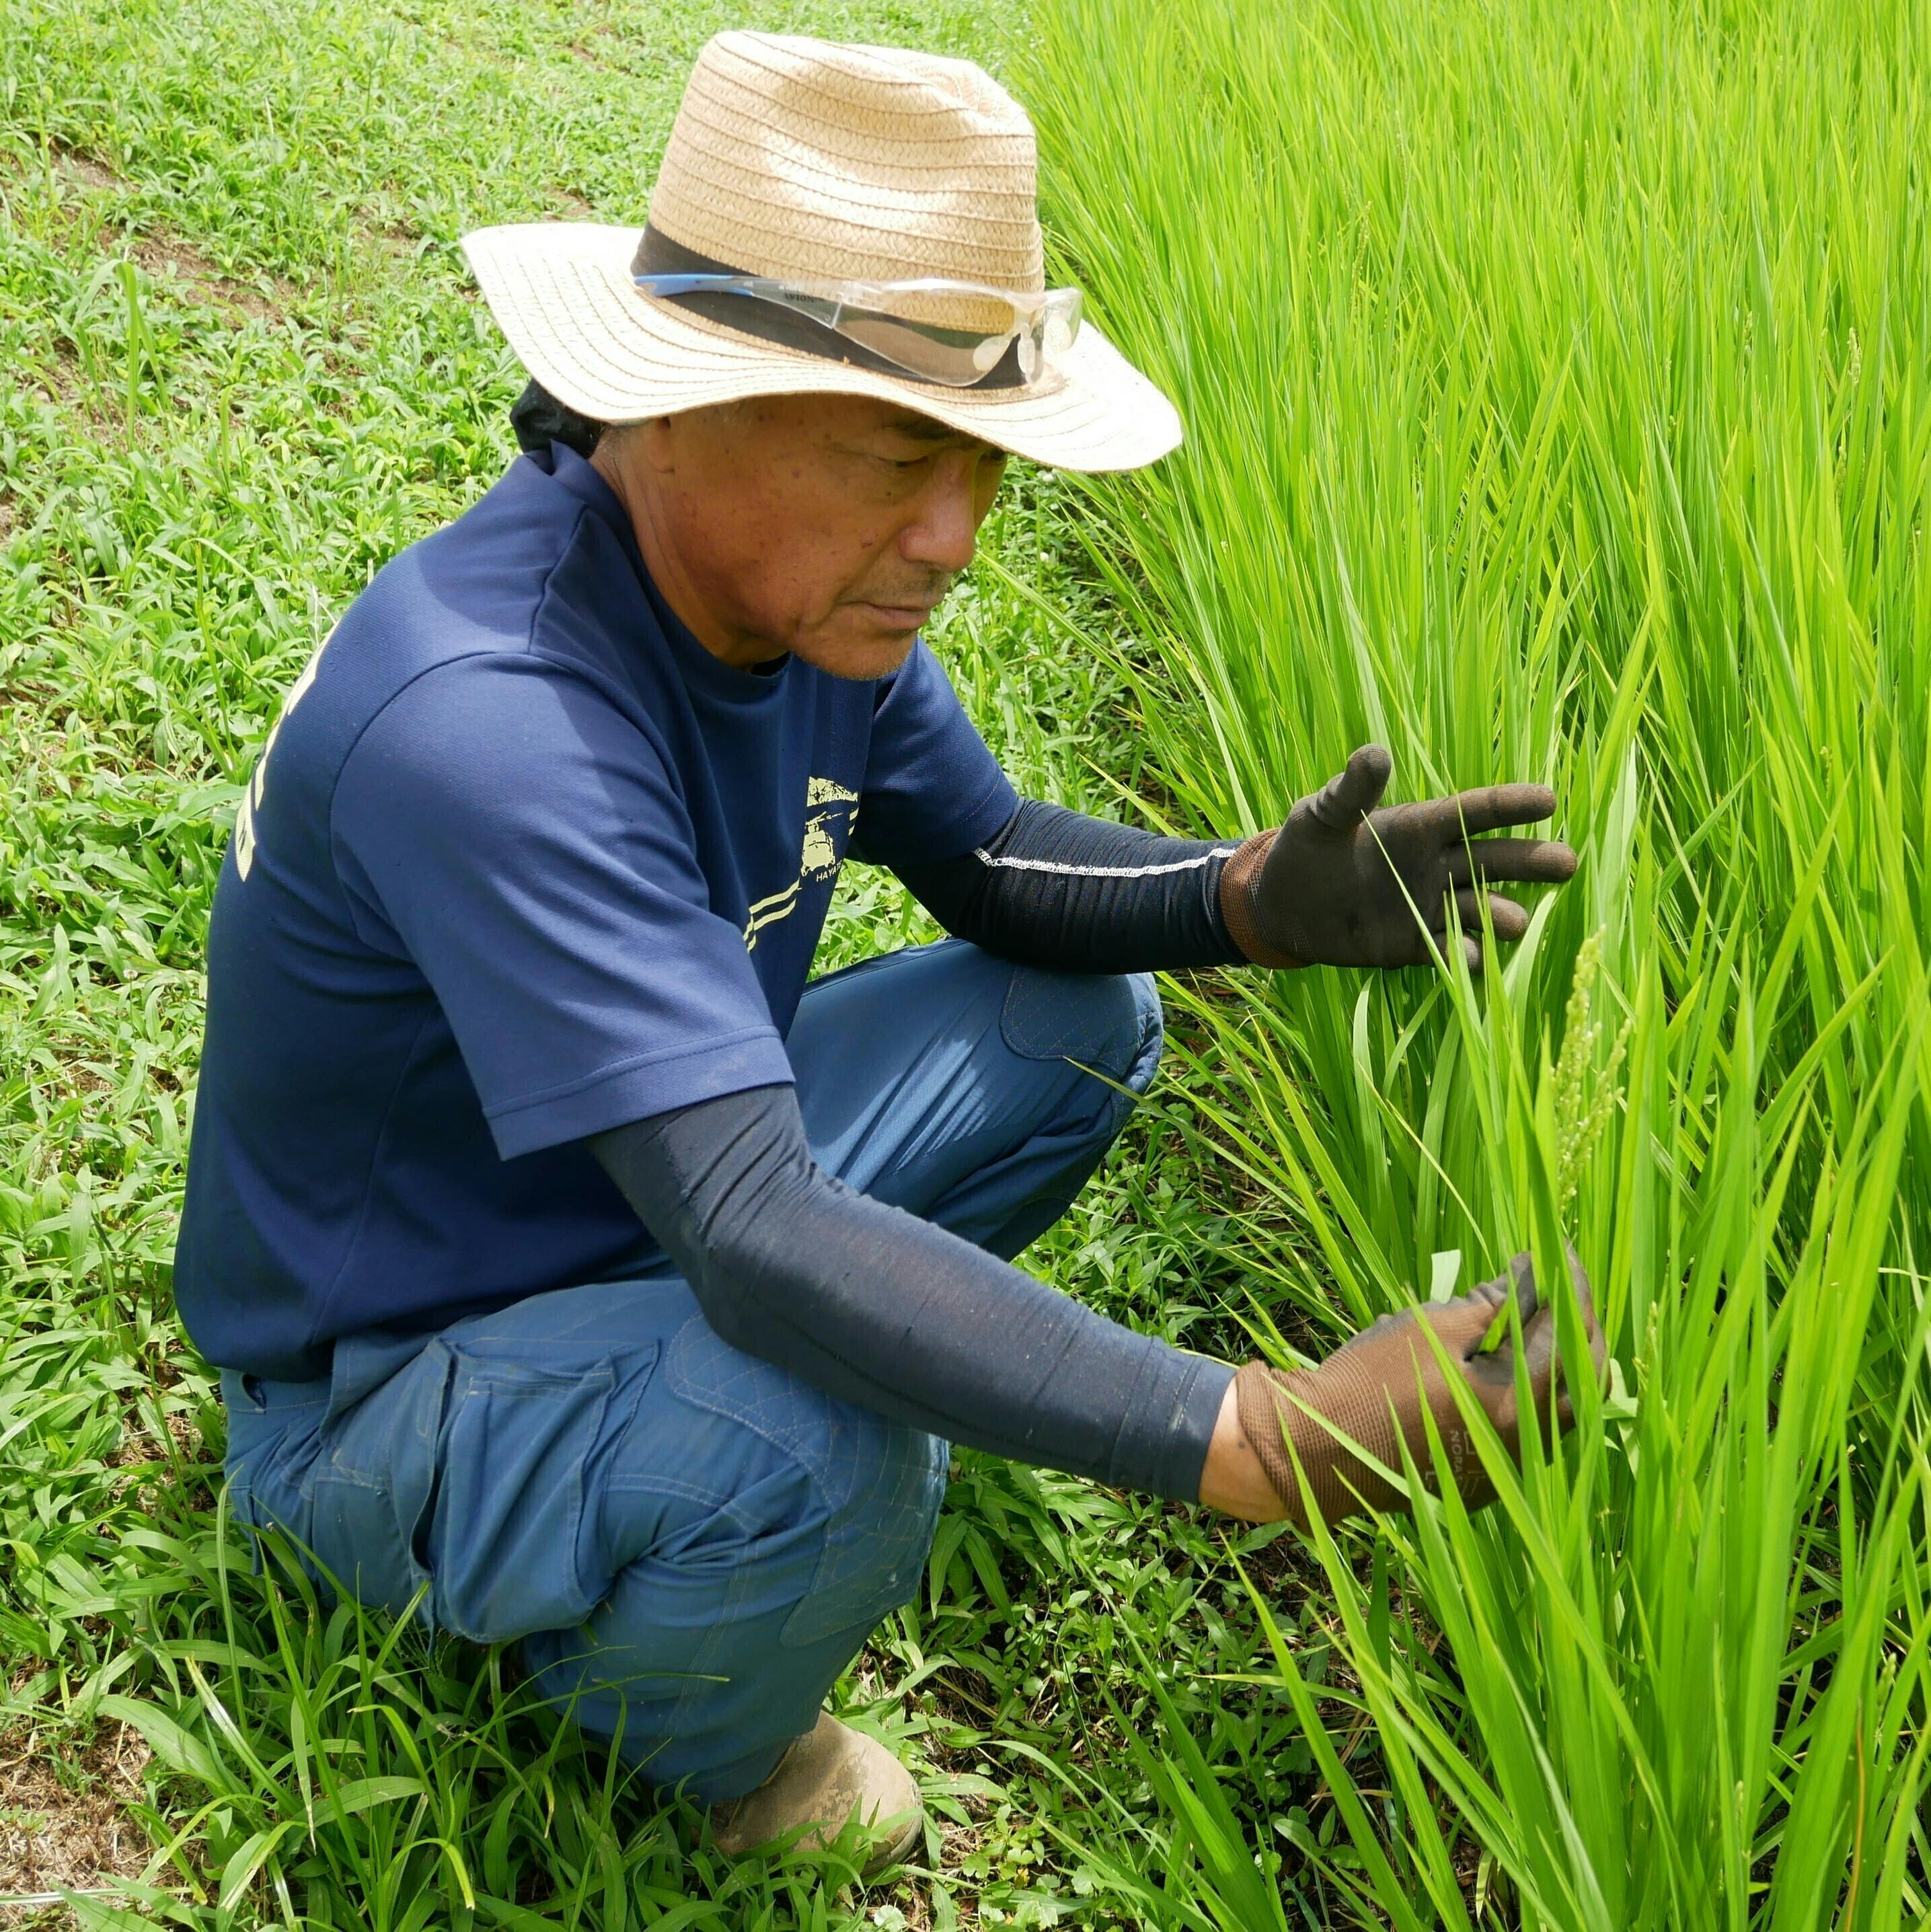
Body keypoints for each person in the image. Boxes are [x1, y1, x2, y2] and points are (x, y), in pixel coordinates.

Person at [175, 31, 1598, 1877]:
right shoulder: (495, 719)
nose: (956, 536)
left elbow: (996, 864)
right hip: (380, 1380)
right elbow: (755, 1228)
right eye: (895, 457)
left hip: (628, 1202)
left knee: (1069, 1017)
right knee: (814, 1439)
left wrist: (1246, 899)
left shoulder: (784, 603)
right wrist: (1257, 1435)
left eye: (984, 465)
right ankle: (697, 1736)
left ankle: (757, 1421)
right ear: (671, 405)